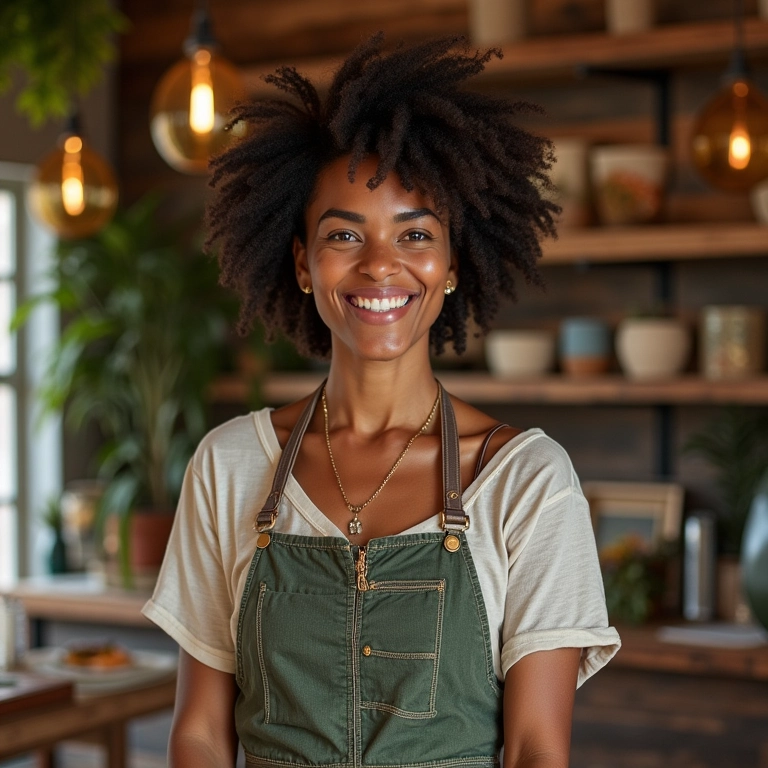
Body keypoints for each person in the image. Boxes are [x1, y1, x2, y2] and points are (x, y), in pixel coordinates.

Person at [142, 34, 620, 768]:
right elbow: (201, 735)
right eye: (343, 234)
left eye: (415, 233)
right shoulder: (230, 466)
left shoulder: (526, 481)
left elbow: (535, 750)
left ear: (453, 261)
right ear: (302, 261)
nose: (379, 266)